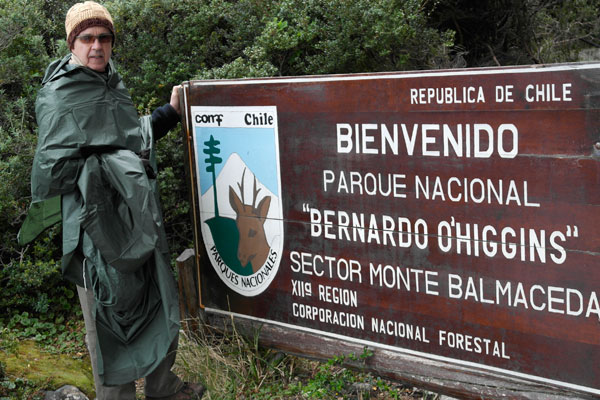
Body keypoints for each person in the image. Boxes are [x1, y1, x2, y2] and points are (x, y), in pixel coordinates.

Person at [18, 2, 204, 399]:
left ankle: (163, 389)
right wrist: (106, 168)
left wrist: (168, 114)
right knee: (104, 317)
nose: (96, 46)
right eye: (87, 38)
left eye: (104, 38)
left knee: (157, 299)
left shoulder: (112, 84)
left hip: (137, 218)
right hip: (94, 230)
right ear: (73, 43)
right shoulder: (59, 95)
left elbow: (127, 139)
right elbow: (51, 173)